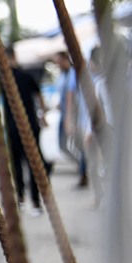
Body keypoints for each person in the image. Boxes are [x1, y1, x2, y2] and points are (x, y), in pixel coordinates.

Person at [2, 44, 51, 216]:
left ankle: (23, 199)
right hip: (28, 125)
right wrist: (42, 115)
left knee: (19, 164)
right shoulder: (25, 76)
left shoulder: (2, 79)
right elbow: (39, 97)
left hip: (15, 127)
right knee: (32, 163)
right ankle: (32, 202)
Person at [76, 45, 113, 208]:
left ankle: (105, 198)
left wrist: (89, 132)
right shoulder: (103, 81)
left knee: (102, 166)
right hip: (108, 130)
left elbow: (99, 112)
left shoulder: (100, 83)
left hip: (106, 131)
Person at [51, 50, 85, 188]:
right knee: (63, 145)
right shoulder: (62, 76)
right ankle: (81, 165)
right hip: (64, 113)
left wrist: (69, 118)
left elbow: (71, 95)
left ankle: (83, 171)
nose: (56, 64)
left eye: (58, 60)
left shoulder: (72, 73)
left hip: (72, 115)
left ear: (64, 59)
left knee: (78, 143)